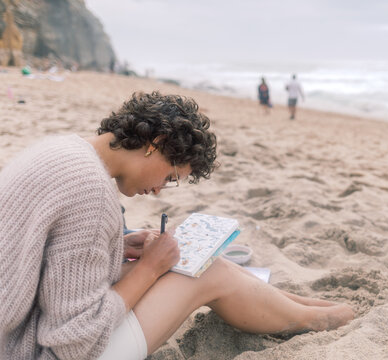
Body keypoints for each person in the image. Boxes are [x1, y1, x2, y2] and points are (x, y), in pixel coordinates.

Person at [0, 91, 354, 359]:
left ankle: (302, 306)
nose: (157, 189)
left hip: (18, 328)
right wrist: (150, 269)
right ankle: (311, 321)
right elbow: (74, 338)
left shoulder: (62, 150)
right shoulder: (91, 194)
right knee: (206, 274)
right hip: (32, 350)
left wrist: (117, 247)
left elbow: (40, 253)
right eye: (170, 177)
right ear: (156, 145)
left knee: (198, 259)